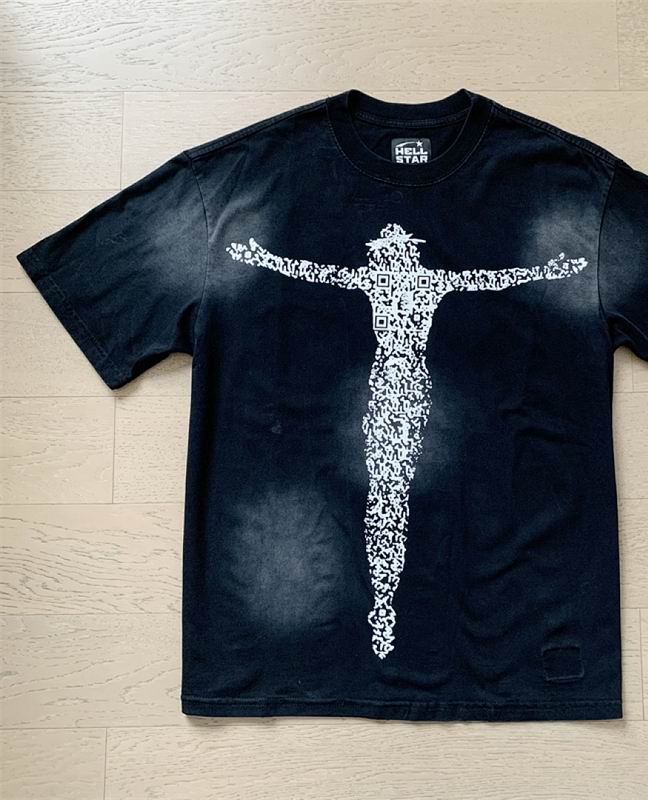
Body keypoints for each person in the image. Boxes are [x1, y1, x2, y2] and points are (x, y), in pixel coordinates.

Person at [227, 223, 588, 658]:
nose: (392, 257)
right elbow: (317, 273)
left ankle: (385, 604)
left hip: (400, 389)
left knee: (391, 494)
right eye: (391, 251)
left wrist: (263, 259)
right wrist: (548, 271)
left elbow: (492, 279)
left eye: (393, 251)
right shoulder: (410, 281)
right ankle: (384, 604)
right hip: (397, 389)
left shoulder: (398, 281)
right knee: (388, 494)